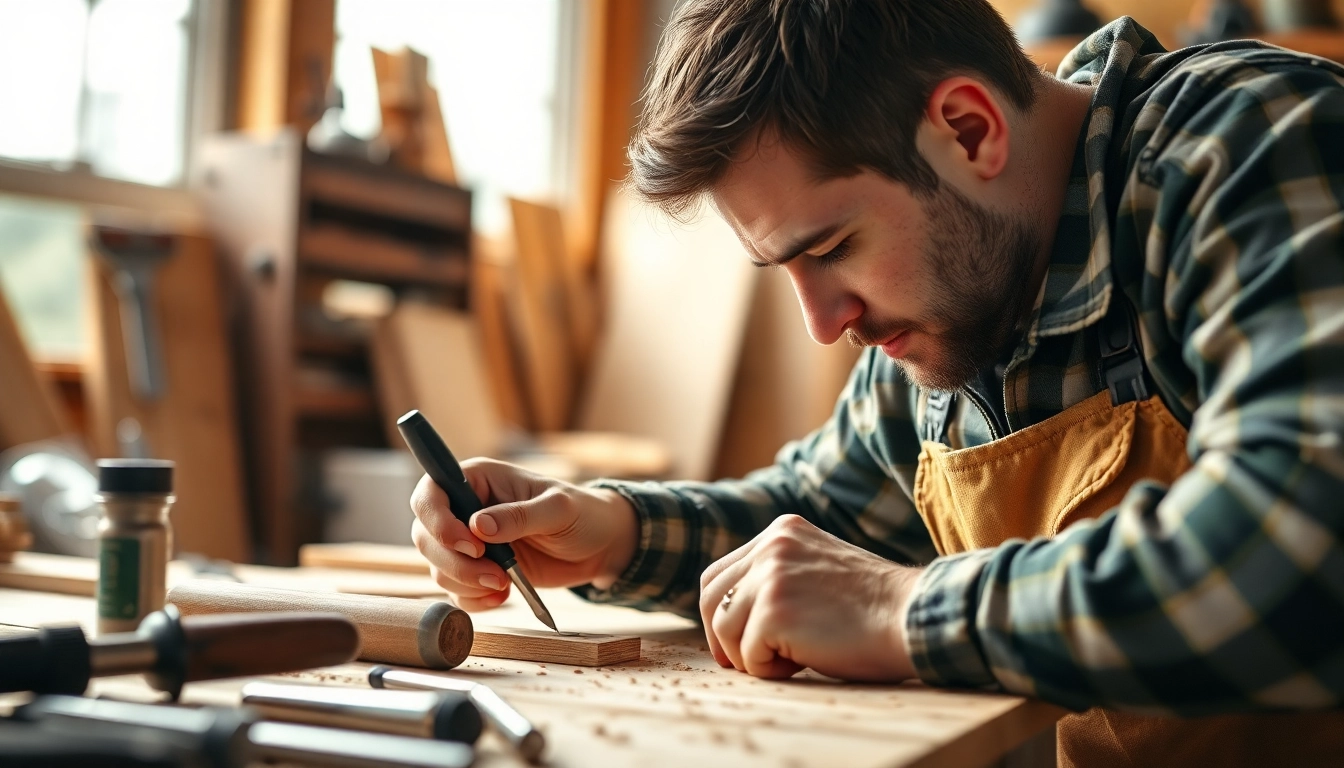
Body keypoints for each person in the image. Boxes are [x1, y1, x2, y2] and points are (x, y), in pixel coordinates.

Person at [410, 1, 1344, 765]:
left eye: (831, 249)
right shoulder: (949, 312)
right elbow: (816, 521)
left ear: (969, 129)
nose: (826, 323)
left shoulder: (1251, 146)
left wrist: (900, 607)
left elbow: (1302, 545)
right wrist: (606, 530)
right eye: (785, 271)